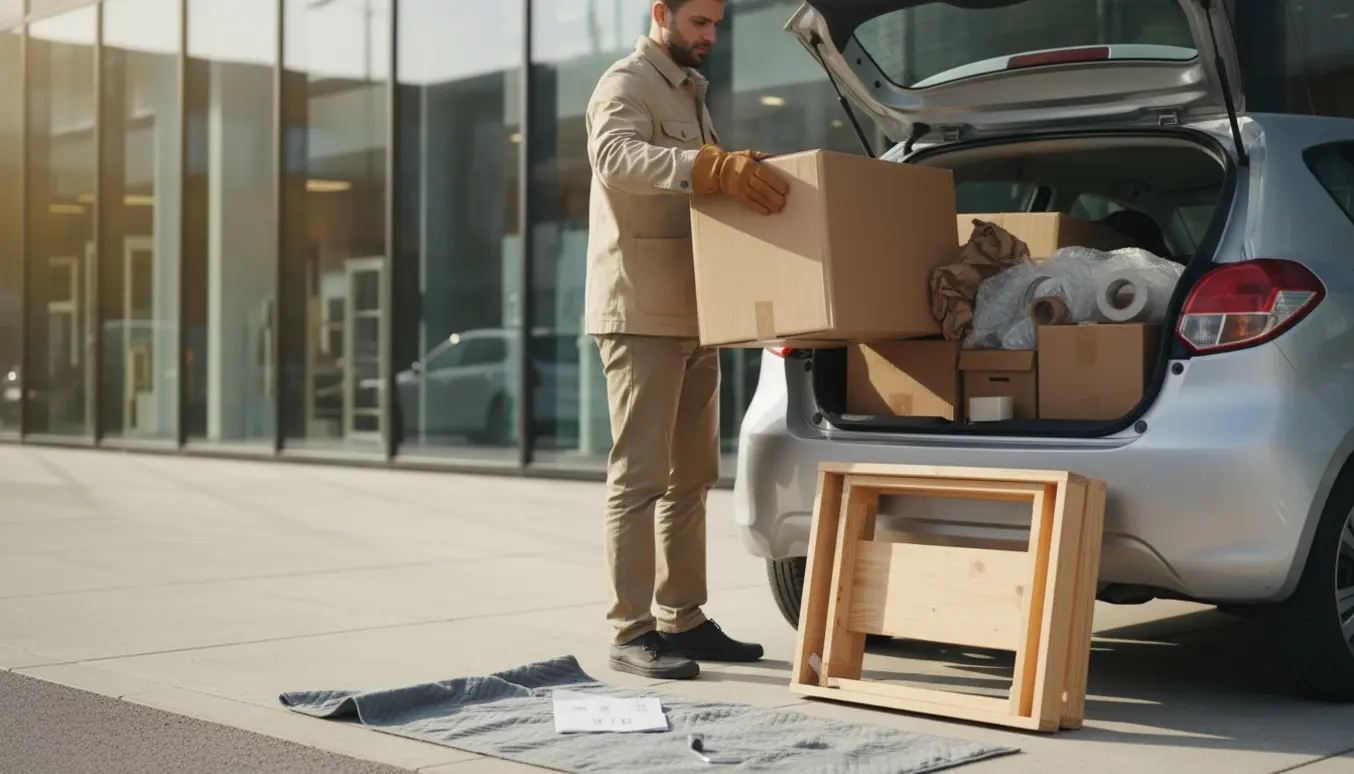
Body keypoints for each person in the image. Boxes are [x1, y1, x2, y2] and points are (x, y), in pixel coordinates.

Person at [584, 0, 790, 680]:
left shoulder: (690, 93)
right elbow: (614, 157)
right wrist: (710, 166)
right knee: (640, 477)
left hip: (697, 310)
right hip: (640, 311)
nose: (710, 36)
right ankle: (631, 629)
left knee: (692, 476)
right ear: (661, 13)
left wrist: (732, 174)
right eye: (699, 22)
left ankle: (684, 617)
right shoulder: (626, 82)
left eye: (717, 25)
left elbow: (699, 188)